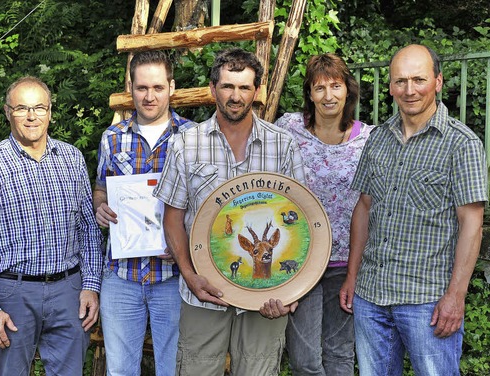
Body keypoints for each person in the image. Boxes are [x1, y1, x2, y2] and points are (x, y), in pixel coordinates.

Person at [154, 47, 304, 375]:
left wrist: (292, 288)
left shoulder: (283, 144)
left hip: (266, 295)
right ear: (213, 89)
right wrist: (190, 276)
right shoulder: (186, 143)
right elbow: (173, 217)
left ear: (257, 92)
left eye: (244, 87)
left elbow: (301, 219)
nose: (235, 96)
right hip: (203, 292)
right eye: (227, 87)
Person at [339, 44, 487, 375]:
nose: (409, 90)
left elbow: (471, 225)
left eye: (418, 79)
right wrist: (352, 276)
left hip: (427, 301)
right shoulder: (377, 139)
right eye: (400, 81)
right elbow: (364, 208)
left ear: (438, 81)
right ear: (390, 87)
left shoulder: (462, 144)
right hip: (371, 295)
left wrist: (456, 297)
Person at [0, 76, 103, 375]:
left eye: (39, 107)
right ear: (7, 112)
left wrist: (90, 286)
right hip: (14, 293)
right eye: (22, 108)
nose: (31, 115)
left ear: (50, 112)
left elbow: (88, 229)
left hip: (69, 291)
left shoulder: (72, 158)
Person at [94, 51, 194, 375]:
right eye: (141, 88)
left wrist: (185, 241)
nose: (149, 96)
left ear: (171, 87)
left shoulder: (194, 138)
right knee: (120, 370)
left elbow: (207, 206)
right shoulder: (112, 138)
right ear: (130, 87)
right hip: (122, 275)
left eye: (157, 87)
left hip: (174, 277)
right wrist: (100, 207)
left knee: (173, 369)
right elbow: (101, 188)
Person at [275, 53, 373, 375]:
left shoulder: (368, 140)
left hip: (346, 261)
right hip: (300, 258)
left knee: (339, 353)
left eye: (336, 86)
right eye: (319, 88)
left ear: (348, 90)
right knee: (304, 359)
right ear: (309, 94)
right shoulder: (288, 128)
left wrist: (355, 272)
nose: (328, 96)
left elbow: (370, 204)